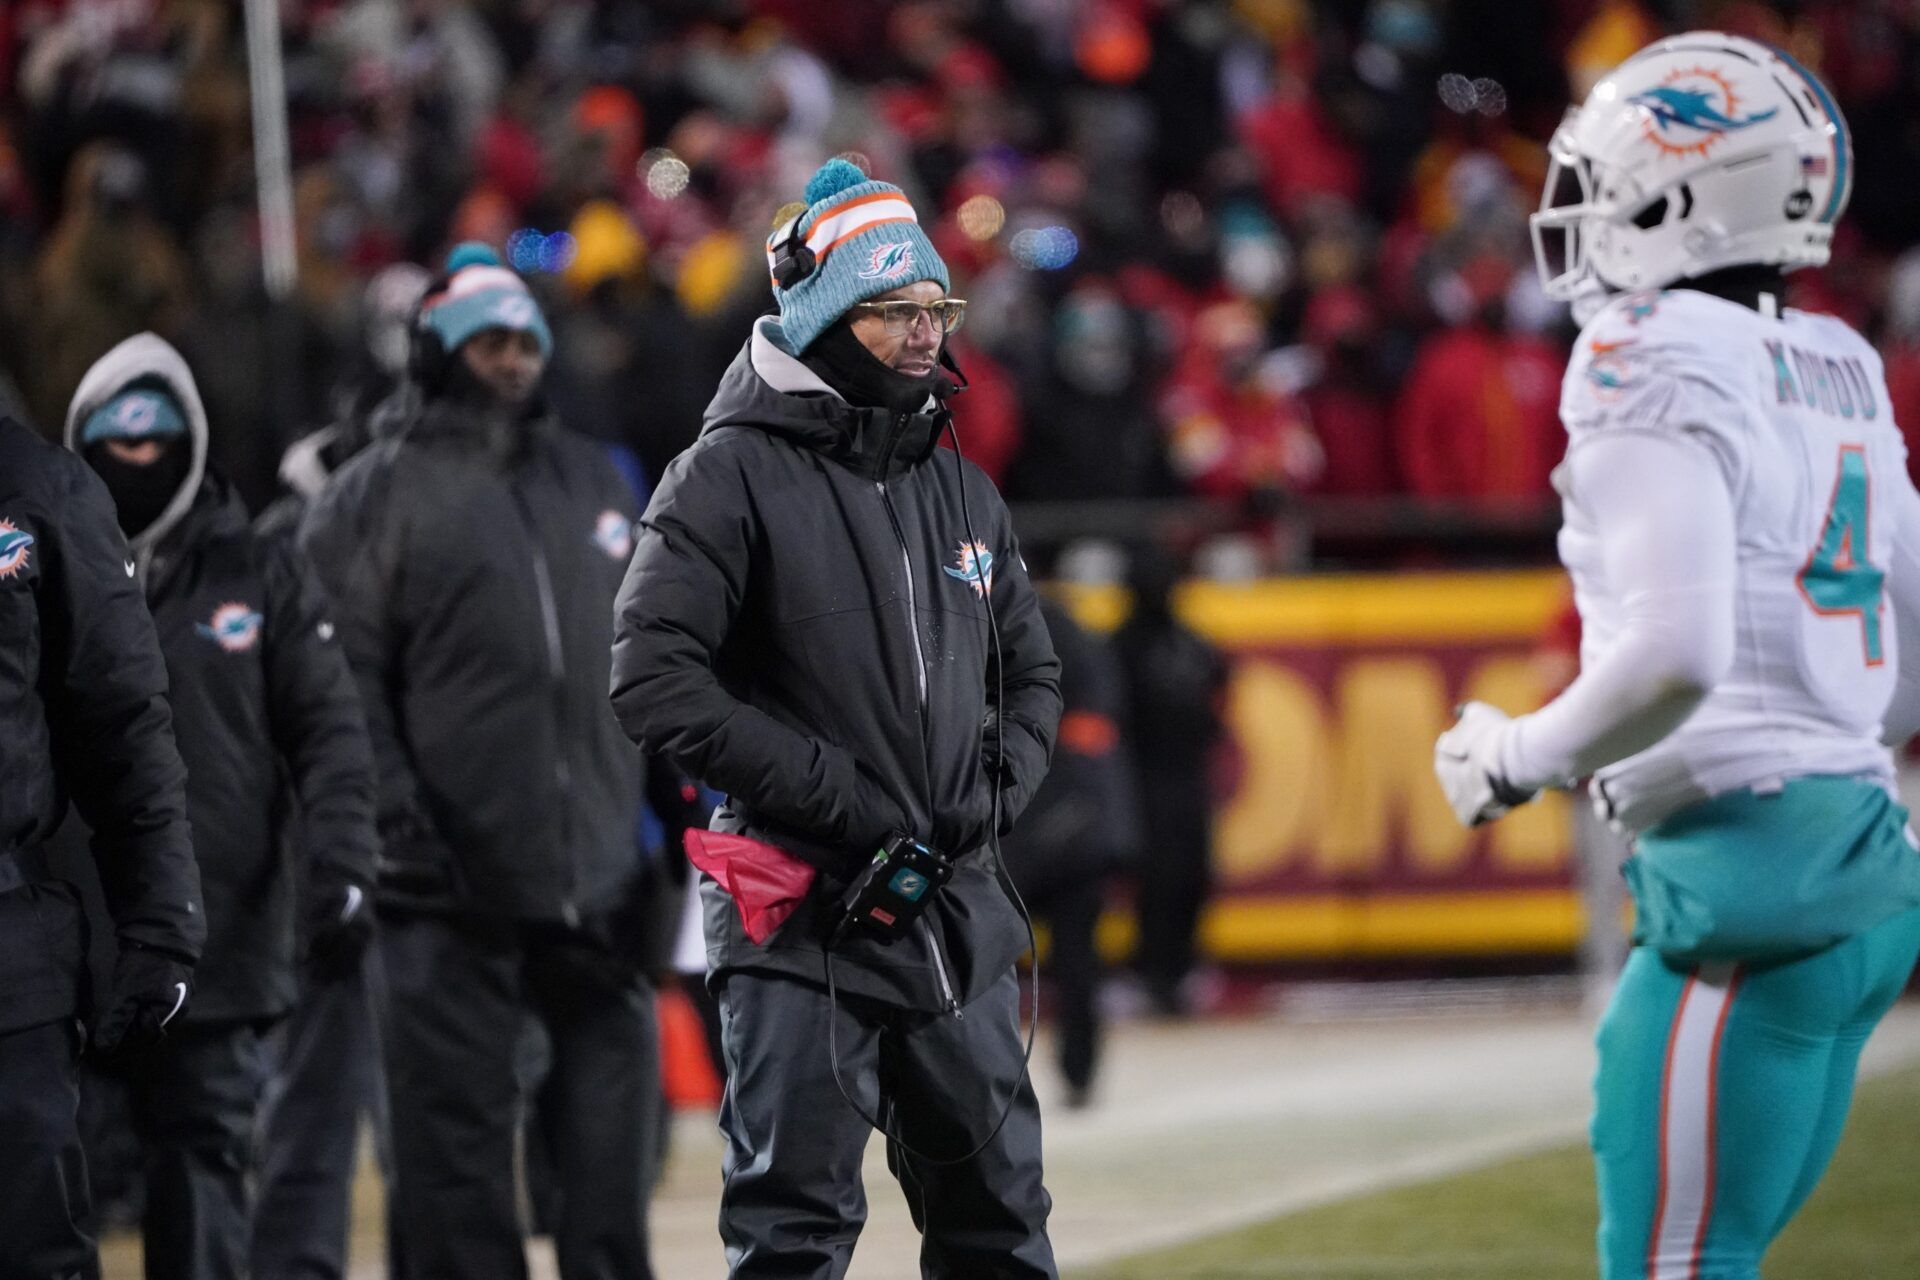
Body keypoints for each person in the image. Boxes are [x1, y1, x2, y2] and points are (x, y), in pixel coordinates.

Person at [1435, 33, 1920, 1280]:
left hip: (1746, 885)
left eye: (1606, 184)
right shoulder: (1842, 360)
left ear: (1688, 193)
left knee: (1678, 1264)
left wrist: (1512, 753)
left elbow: (1676, 655)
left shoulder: (1651, 349)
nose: (1583, 218)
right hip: (1863, 872)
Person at [611, 158, 1063, 1279]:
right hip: (798, 915)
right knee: (793, 1239)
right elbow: (652, 679)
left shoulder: (961, 482)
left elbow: (1034, 671)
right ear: (819, 316)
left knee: (1001, 1228)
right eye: (893, 312)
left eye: (932, 309)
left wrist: (987, 794)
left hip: (949, 910)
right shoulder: (723, 475)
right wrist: (841, 800)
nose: (924, 334)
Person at [301, 243, 659, 1280]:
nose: (512, 360)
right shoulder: (370, 494)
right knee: (454, 1168)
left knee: (610, 1159)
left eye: (525, 341)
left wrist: (663, 833)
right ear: (439, 351)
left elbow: (654, 660)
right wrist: (397, 827)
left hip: (596, 879)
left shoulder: (593, 475)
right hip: (443, 886)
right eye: (490, 341)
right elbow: (341, 688)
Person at [60, 332, 378, 1280]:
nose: (140, 459)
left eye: (161, 438)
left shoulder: (261, 572)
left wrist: (343, 864)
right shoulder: (33, 574)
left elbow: (328, 732)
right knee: (52, 1190)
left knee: (202, 1176)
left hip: (220, 936)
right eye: (117, 441)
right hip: (66, 942)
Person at [250, 263, 429, 1280]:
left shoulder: (441, 515)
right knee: (320, 1089)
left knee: (417, 1105)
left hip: (409, 841)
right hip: (322, 837)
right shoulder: (294, 532)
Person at [0, 412, 204, 1279]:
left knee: (34, 1255)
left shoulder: (36, 490)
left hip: (7, 964)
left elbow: (121, 723)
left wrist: (160, 922)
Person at [1001, 595, 1139, 1108]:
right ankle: (1076, 1075)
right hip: (1066, 827)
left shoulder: (982, 631)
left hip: (1020, 827)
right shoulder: (1073, 635)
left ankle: (995, 1082)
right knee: (1075, 962)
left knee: (989, 963)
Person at [1112, 546, 1227, 1016]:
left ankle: (1180, 969)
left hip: (1181, 778)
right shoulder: (1120, 648)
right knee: (1154, 880)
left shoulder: (1191, 645)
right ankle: (1151, 972)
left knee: (1190, 875)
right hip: (1142, 779)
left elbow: (1218, 692)